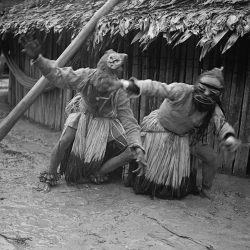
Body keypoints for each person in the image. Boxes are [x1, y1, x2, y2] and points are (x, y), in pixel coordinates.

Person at [20, 37, 145, 188]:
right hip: (84, 115)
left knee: (131, 151)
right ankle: (51, 174)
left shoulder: (119, 92)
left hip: (107, 121)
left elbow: (129, 122)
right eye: (101, 80)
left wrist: (137, 146)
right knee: (64, 140)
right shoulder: (85, 76)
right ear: (98, 71)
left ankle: (99, 172)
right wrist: (38, 59)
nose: (104, 84)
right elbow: (57, 74)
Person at [118, 67, 240, 199]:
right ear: (196, 85)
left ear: (218, 95)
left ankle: (205, 189)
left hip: (185, 137)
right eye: (203, 88)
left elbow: (221, 124)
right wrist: (134, 85)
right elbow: (157, 87)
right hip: (158, 131)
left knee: (211, 158)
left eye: (212, 92)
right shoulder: (181, 90)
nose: (206, 94)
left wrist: (229, 137)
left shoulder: (213, 108)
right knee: (131, 153)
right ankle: (115, 172)